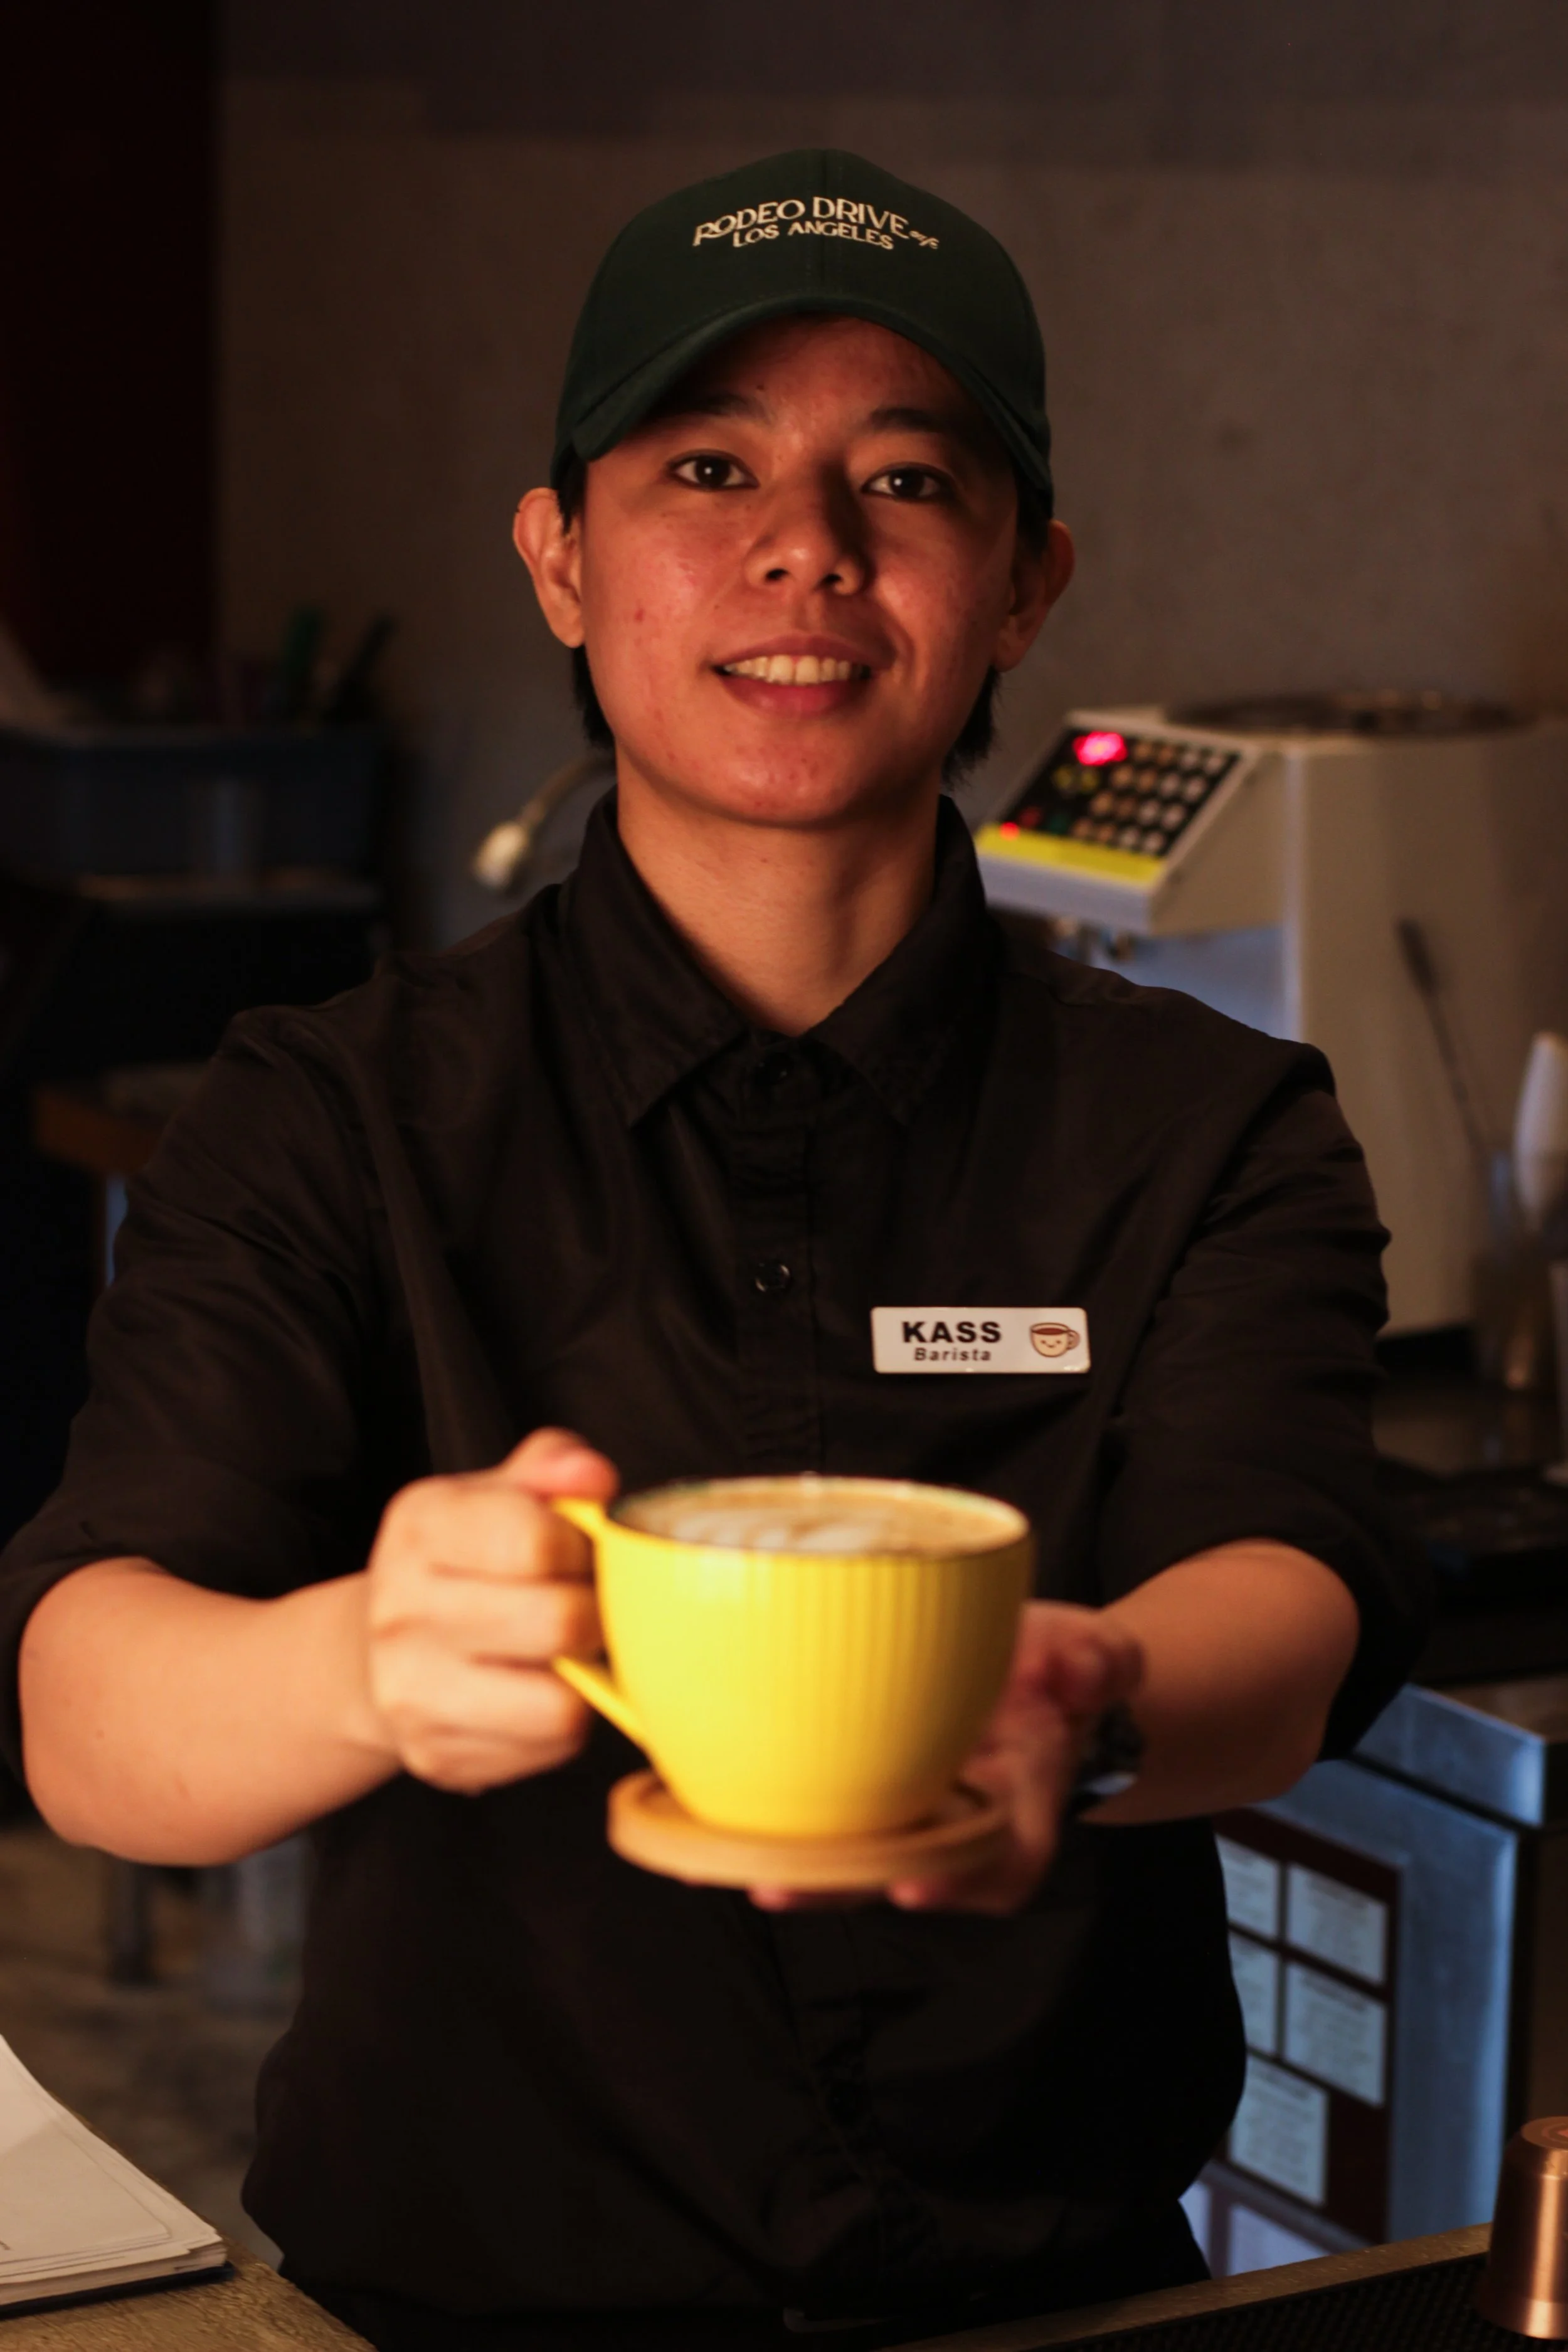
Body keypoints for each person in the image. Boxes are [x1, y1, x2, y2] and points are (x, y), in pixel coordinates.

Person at [0, 152, 1424, 2351]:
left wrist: (1091, 1697)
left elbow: (1288, 1593)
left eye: (909, 479)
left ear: (1025, 581)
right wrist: (371, 1658)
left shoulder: (1205, 1117)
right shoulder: (336, 1108)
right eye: (705, 464)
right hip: (443, 2305)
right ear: (560, 556)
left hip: (1051, 2302)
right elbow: (91, 1705)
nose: (805, 549)